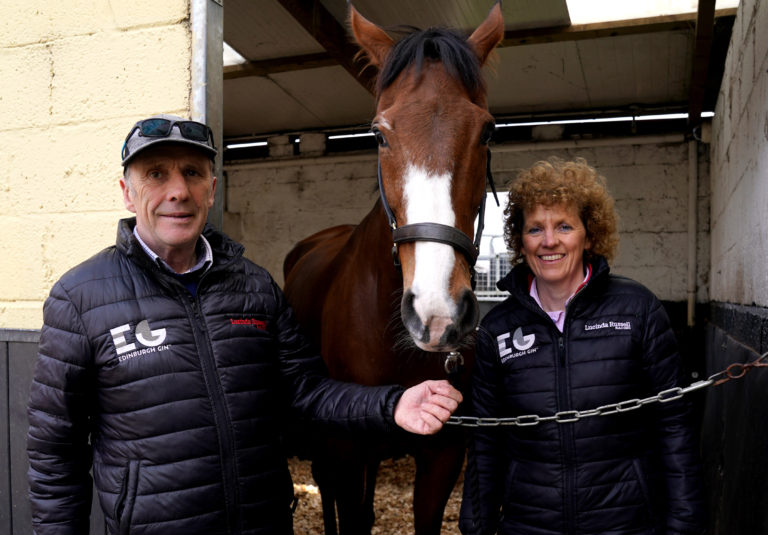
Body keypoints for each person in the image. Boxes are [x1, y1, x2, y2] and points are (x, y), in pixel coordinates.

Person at [26, 114, 463, 535]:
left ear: (212, 189)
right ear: (126, 192)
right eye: (156, 174)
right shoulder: (79, 298)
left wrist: (392, 405)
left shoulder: (255, 287)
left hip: (262, 523)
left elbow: (307, 392)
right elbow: (55, 454)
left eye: (193, 173)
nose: (178, 191)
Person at [459, 157, 705, 534]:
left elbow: (674, 425)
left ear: (589, 236)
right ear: (520, 241)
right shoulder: (497, 328)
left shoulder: (637, 309)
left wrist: (684, 521)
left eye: (564, 226)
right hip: (530, 523)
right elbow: (485, 438)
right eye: (534, 229)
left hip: (626, 521)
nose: (549, 241)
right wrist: (478, 524)